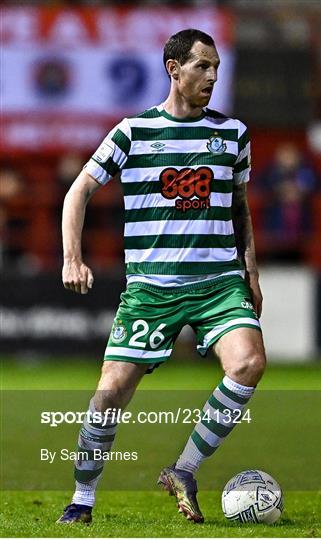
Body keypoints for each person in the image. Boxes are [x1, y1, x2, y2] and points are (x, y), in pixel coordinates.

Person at [58, 29, 265, 525]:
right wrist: (72, 257)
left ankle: (185, 469)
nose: (212, 76)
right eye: (202, 67)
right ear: (174, 69)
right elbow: (78, 191)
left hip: (218, 284)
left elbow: (240, 209)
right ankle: (83, 498)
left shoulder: (233, 133)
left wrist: (251, 272)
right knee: (110, 393)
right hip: (152, 290)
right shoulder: (132, 131)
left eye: (216, 67)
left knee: (249, 363)